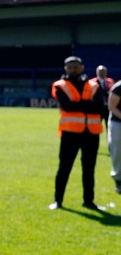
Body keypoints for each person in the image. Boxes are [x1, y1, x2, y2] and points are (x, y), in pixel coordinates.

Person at [49, 55, 107, 211]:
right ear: (65, 69)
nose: (73, 69)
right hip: (70, 132)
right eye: (70, 67)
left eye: (75, 67)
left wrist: (78, 105)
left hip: (91, 132)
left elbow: (99, 107)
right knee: (64, 167)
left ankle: (89, 201)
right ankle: (58, 200)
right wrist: (87, 105)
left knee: (89, 168)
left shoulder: (93, 85)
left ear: (82, 67)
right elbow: (66, 106)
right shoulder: (60, 85)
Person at [109, 72, 121, 194]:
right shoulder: (118, 87)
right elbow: (112, 107)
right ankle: (118, 179)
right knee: (118, 151)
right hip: (118, 123)